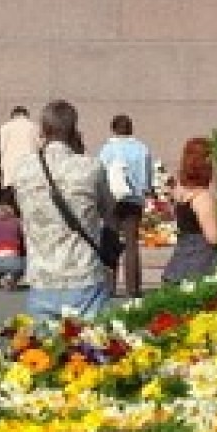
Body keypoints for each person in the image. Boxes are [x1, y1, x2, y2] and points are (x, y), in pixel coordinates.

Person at [12, 98, 115, 323]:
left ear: (42, 130)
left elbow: (22, 210)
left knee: (41, 353)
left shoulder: (23, 169)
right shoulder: (91, 167)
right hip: (84, 275)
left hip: (41, 277)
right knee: (92, 352)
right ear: (74, 130)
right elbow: (110, 213)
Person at [97, 114, 154, 298]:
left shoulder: (107, 150)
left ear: (113, 129)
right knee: (131, 244)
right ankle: (133, 288)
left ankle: (109, 286)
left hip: (112, 200)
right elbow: (147, 179)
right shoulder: (142, 149)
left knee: (110, 241)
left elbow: (100, 175)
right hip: (133, 199)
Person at [161, 137, 217, 285]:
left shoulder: (181, 191)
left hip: (180, 260)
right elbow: (213, 238)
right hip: (199, 264)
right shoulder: (202, 197)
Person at [0, 104, 40, 210]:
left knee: (9, 201)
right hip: (29, 170)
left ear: (13, 116)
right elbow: (40, 148)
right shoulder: (34, 127)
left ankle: (8, 224)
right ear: (26, 115)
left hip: (10, 170)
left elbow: (0, 149)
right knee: (28, 204)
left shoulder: (5, 127)